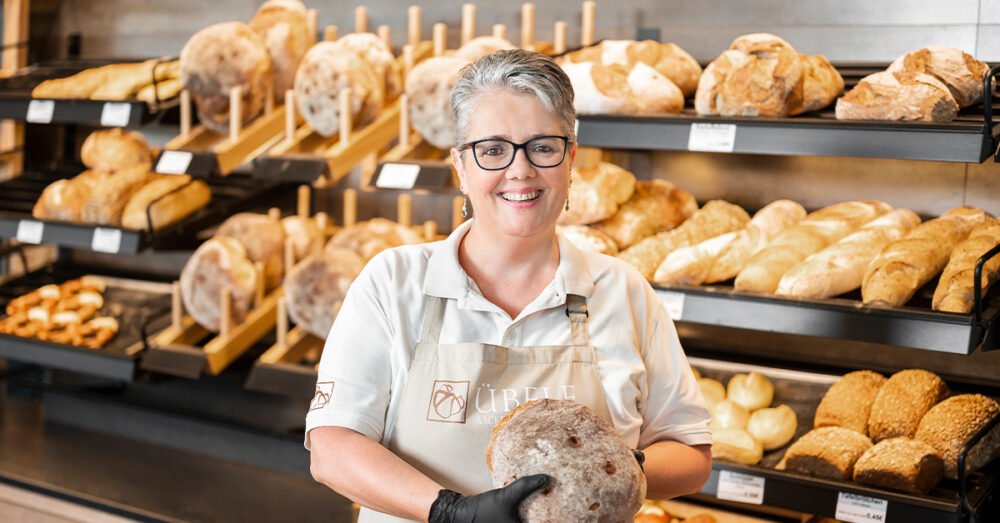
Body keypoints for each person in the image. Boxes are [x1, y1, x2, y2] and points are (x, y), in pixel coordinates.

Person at [306, 49, 711, 523]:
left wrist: (609, 472)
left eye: (542, 146)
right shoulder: (392, 283)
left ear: (571, 159)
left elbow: (689, 451)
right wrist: (451, 513)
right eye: (493, 150)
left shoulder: (622, 291)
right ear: (460, 166)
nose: (520, 171)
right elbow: (332, 449)